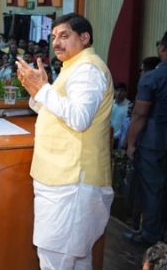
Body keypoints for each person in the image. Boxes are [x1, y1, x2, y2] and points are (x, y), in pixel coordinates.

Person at [15, 13, 113, 269]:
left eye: (64, 36)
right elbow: (60, 112)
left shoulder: (87, 70)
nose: (56, 42)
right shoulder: (75, 67)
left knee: (56, 259)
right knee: (75, 260)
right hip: (64, 179)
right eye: (54, 37)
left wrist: (44, 90)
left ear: (84, 37)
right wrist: (38, 92)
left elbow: (79, 118)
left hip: (70, 181)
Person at [125, 31, 167, 246]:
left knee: (152, 189)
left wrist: (131, 143)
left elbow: (140, 114)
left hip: (154, 140)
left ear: (162, 48)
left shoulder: (152, 77)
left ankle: (150, 235)